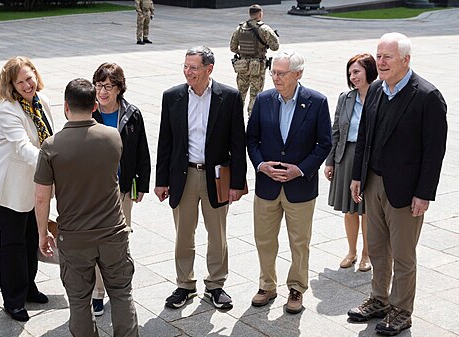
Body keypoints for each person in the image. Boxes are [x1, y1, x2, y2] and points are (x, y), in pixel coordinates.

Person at [347, 32, 447, 336]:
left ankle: (402, 310)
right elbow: (364, 135)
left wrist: (424, 194)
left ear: (406, 60)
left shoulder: (427, 96)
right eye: (378, 56)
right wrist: (356, 176)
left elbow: (434, 152)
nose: (381, 62)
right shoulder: (376, 89)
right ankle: (379, 299)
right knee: (377, 248)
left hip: (406, 190)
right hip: (373, 182)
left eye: (387, 57)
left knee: (403, 255)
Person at [35, 78, 139, 337]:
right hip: (113, 232)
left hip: (74, 236)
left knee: (80, 300)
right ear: (94, 106)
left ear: (65, 106)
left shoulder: (51, 146)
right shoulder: (112, 137)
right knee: (121, 293)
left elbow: (42, 196)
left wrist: (43, 232)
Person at [155, 46, 247, 310]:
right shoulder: (172, 96)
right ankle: (184, 284)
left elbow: (237, 143)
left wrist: (237, 184)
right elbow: (165, 142)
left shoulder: (228, 97)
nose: (188, 72)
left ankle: (216, 285)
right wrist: (162, 181)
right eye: (185, 66)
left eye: (193, 68)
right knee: (184, 234)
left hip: (216, 178)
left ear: (209, 69)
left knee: (217, 234)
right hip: (182, 176)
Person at [246, 50, 332, 314]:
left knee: (299, 242)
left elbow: (324, 143)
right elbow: (252, 139)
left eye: (281, 73)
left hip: (300, 187)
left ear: (298, 74)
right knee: (264, 239)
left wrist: (301, 170)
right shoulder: (263, 99)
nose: (275, 78)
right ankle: (266, 285)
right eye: (273, 72)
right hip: (267, 186)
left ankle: (296, 288)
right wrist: (261, 165)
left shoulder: (317, 102)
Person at [0, 56, 53, 322]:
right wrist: (52, 166)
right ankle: (13, 299)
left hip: (34, 186)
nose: (28, 84)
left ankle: (28, 287)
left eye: (30, 77)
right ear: (11, 85)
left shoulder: (42, 101)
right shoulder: (8, 110)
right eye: (21, 81)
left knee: (30, 240)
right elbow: (23, 147)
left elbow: (50, 136)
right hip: (9, 188)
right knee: (13, 244)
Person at [90, 62, 151, 316]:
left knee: (119, 241)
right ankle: (96, 292)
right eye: (99, 85)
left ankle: (118, 288)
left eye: (108, 86)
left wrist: (142, 184)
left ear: (119, 88)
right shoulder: (88, 112)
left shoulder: (131, 114)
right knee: (95, 242)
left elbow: (141, 152)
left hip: (122, 189)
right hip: (93, 191)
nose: (103, 91)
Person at [324, 53, 377, 272]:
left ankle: (367, 254)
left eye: (356, 72)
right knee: (350, 209)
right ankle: (351, 251)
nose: (352, 77)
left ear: (368, 71)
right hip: (346, 154)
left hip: (370, 157)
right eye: (350, 73)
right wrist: (330, 161)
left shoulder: (380, 95)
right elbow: (335, 130)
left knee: (367, 209)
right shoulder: (345, 97)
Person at [229, 4, 279, 116]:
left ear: (250, 14)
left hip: (242, 66)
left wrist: (242, 53)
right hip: (258, 66)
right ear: (260, 14)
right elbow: (275, 47)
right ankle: (252, 119)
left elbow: (233, 47)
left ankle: (235, 119)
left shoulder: (240, 28)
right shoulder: (264, 29)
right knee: (255, 95)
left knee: (240, 94)